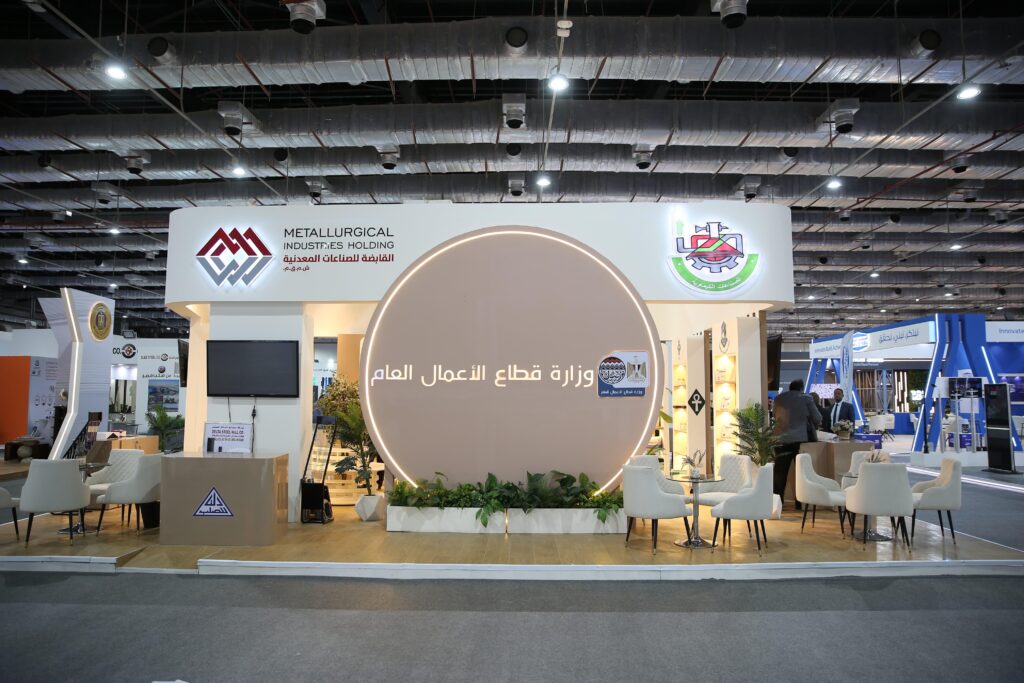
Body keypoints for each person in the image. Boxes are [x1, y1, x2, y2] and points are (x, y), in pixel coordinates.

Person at [772, 378, 821, 508]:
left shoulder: (779, 398)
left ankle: (777, 503)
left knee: (779, 473)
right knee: (801, 472)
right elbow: (817, 418)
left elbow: (774, 416)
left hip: (780, 439)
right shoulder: (806, 398)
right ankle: (800, 503)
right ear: (801, 388)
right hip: (800, 440)